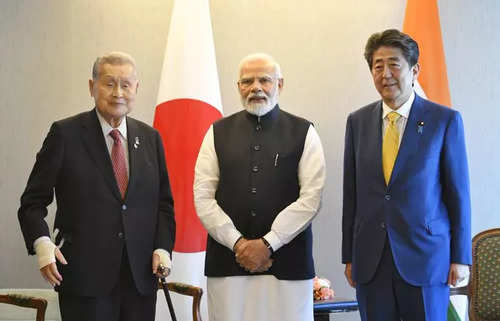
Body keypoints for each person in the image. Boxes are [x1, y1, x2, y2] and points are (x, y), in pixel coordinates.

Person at [18, 51, 175, 321]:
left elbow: (164, 204)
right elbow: (31, 204)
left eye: (126, 85)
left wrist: (162, 248)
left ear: (136, 88)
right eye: (109, 83)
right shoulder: (65, 134)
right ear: (92, 87)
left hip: (140, 281)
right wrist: (42, 244)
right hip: (85, 280)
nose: (118, 93)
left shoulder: (150, 138)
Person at [342, 29, 471, 321]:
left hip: (426, 257)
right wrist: (348, 256)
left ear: (414, 70)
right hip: (371, 260)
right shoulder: (357, 122)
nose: (385, 73)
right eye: (377, 66)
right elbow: (351, 195)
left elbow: (458, 194)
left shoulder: (444, 121)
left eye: (394, 64)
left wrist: (460, 257)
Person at [193, 53, 326, 321]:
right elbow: (203, 197)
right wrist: (238, 244)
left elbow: (311, 198)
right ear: (239, 87)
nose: (256, 87)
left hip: (287, 266)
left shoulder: (304, 131)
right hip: (228, 263)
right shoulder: (216, 132)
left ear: (280, 84)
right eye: (247, 81)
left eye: (265, 80)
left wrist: (268, 243)